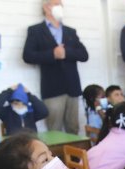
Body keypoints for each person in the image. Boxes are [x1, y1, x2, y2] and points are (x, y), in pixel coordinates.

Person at [22, 0, 90, 135]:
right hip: (52, 89)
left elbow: (84, 55)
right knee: (54, 130)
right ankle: (56, 157)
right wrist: (52, 54)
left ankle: (75, 157)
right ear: (46, 7)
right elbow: (27, 56)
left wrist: (66, 53)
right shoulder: (35, 30)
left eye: (61, 5)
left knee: (73, 128)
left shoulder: (70, 31)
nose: (60, 7)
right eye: (56, 4)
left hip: (72, 87)